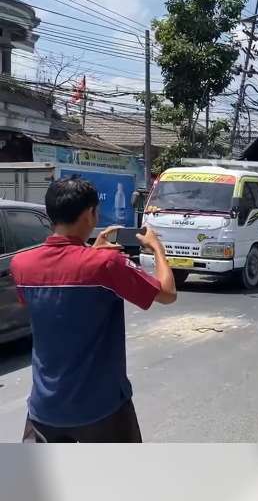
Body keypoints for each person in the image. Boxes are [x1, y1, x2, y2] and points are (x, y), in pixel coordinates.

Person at [11, 176, 177, 443]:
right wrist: (157, 249)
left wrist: (90, 251)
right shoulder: (107, 264)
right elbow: (167, 293)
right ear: (90, 213)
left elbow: (60, 296)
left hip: (45, 409)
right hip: (102, 409)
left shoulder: (21, 264)